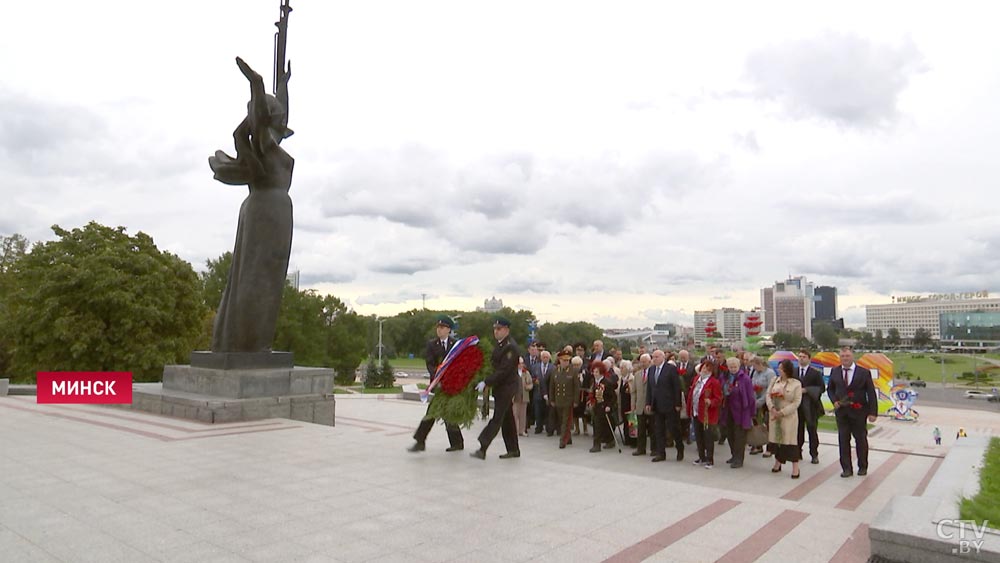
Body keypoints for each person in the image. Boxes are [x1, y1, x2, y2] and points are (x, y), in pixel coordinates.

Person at [208, 57, 294, 354]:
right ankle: (248, 344)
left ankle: (255, 341)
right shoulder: (264, 143)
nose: (284, 121)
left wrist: (283, 85)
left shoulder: (272, 140)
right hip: (265, 212)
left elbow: (274, 116)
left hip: (274, 212)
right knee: (256, 279)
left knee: (268, 281)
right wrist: (256, 85)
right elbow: (259, 120)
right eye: (278, 114)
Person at [409, 316, 464, 453]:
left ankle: (457, 443)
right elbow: (430, 364)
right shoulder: (432, 345)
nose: (439, 330)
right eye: (438, 327)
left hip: (451, 385)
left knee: (448, 414)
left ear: (449, 330)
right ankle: (420, 441)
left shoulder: (456, 345)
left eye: (442, 327)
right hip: (438, 385)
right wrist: (437, 377)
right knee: (432, 413)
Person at [470, 317, 521, 460]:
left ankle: (483, 447)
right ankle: (513, 450)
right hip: (501, 387)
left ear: (507, 330)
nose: (496, 331)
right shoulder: (500, 345)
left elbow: (503, 370)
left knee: (497, 418)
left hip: (507, 387)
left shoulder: (510, 347)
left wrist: (486, 382)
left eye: (499, 329)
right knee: (507, 419)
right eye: (495, 329)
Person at [826, 347, 877, 478]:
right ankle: (847, 468)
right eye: (842, 356)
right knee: (843, 440)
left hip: (859, 412)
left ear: (852, 356)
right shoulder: (835, 371)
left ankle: (863, 466)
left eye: (847, 356)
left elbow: (870, 393)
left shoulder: (863, 373)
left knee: (860, 440)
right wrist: (834, 401)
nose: (845, 358)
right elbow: (830, 389)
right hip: (842, 413)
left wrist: (873, 412)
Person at [767, 360, 803, 478]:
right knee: (777, 440)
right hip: (775, 415)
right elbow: (768, 395)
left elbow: (796, 402)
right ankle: (777, 463)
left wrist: (782, 412)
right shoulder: (774, 380)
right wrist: (772, 408)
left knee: (790, 442)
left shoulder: (796, 384)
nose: (779, 370)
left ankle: (795, 468)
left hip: (788, 417)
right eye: (778, 368)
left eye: (781, 368)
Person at [646, 350, 684, 462]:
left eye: (657, 357)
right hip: (657, 404)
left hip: (670, 404)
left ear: (663, 357)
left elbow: (677, 387)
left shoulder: (670, 369)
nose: (654, 359)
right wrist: (648, 402)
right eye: (653, 357)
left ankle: (680, 449)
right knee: (659, 430)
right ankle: (661, 453)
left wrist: (678, 404)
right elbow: (650, 387)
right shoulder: (652, 369)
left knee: (674, 428)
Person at [723, 357, 755, 469]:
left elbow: (751, 397)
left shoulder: (744, 378)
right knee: (730, 434)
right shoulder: (726, 377)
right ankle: (733, 455)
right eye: (730, 367)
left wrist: (751, 413)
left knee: (739, 436)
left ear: (738, 366)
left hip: (741, 411)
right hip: (728, 410)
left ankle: (739, 459)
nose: (732, 369)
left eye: (734, 367)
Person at [689, 361, 722, 468]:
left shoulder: (714, 382)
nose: (705, 370)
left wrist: (711, 402)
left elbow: (718, 398)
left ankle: (709, 459)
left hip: (707, 414)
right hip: (696, 411)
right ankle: (701, 457)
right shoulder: (696, 379)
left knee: (708, 437)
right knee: (698, 436)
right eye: (704, 368)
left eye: (708, 369)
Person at [796, 350, 826, 464]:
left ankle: (814, 454)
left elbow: (822, 388)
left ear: (809, 359)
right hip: (797, 406)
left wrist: (807, 390)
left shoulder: (815, 373)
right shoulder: (794, 371)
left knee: (812, 431)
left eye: (803, 357)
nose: (801, 358)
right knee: (798, 431)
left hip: (811, 407)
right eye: (799, 356)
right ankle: (797, 451)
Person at [549, 350, 580, 448]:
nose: (565, 362)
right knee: (561, 420)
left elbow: (576, 388)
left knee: (566, 421)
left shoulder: (573, 371)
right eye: (563, 360)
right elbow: (552, 387)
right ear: (559, 360)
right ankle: (568, 437)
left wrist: (575, 401)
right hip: (558, 400)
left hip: (568, 400)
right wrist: (552, 399)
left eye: (567, 360)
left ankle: (563, 440)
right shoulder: (555, 371)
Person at [589, 360, 618, 452]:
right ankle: (598, 444)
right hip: (597, 407)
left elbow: (613, 396)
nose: (594, 373)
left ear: (601, 372)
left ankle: (606, 442)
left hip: (605, 407)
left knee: (604, 426)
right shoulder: (594, 382)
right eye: (593, 371)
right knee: (596, 425)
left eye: (596, 372)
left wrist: (609, 405)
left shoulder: (607, 382)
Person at [750, 356, 776, 456]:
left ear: (759, 364)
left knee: (768, 425)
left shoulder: (770, 373)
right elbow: (753, 385)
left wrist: (761, 401)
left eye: (754, 366)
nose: (754, 368)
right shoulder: (756, 373)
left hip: (767, 402)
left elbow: (770, 389)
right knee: (757, 424)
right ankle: (758, 445)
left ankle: (770, 448)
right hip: (756, 401)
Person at [631, 353, 652, 456]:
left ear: (649, 362)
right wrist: (633, 404)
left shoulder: (652, 373)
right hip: (639, 405)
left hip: (650, 405)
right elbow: (633, 391)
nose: (643, 364)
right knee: (641, 429)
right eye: (641, 362)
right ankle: (641, 449)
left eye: (645, 362)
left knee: (653, 429)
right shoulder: (637, 374)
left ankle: (654, 449)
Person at [533, 351, 556, 435]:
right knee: (537, 411)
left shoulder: (553, 367)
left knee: (548, 412)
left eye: (547, 357)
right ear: (541, 358)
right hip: (538, 392)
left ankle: (549, 428)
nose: (545, 358)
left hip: (549, 393)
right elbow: (532, 377)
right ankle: (538, 427)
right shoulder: (535, 367)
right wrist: (534, 381)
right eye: (543, 357)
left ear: (549, 358)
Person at [676, 350, 695, 445]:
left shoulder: (692, 366)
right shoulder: (676, 365)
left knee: (688, 414)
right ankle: (681, 433)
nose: (683, 359)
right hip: (678, 393)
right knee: (679, 414)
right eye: (681, 357)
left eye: (684, 357)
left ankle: (688, 435)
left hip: (688, 393)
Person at [513, 357, 533, 437]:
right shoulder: (513, 373)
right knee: (515, 414)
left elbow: (531, 383)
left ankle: (522, 430)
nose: (521, 365)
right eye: (519, 363)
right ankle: (515, 431)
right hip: (515, 397)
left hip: (524, 396)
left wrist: (528, 387)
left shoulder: (526, 373)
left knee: (523, 415)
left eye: (522, 363)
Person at [619, 360, 636, 447]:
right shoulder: (621, 379)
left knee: (632, 423)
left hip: (630, 404)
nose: (621, 369)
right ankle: (627, 439)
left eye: (623, 368)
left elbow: (633, 392)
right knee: (626, 423)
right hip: (623, 404)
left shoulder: (632, 379)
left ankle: (633, 441)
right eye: (620, 367)